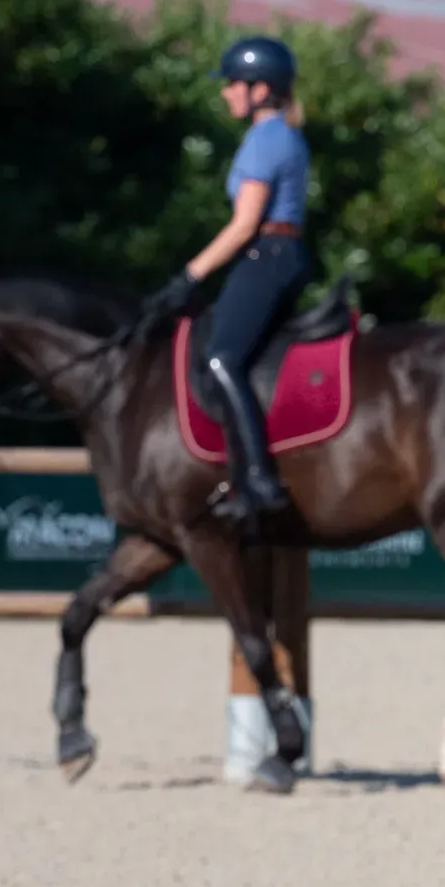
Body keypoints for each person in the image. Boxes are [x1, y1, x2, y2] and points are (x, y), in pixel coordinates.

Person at [137, 35, 310, 523]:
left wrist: (188, 277)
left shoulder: (265, 139)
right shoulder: (282, 135)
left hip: (266, 254)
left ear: (261, 89)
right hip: (282, 254)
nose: (225, 92)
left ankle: (259, 482)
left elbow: (243, 225)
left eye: (233, 83)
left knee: (220, 358)